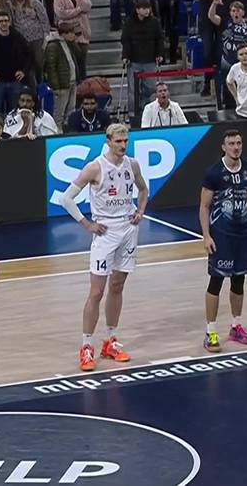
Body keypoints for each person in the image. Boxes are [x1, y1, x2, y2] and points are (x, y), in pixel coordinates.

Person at [58, 124, 150, 371]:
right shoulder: (94, 167)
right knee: (97, 292)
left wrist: (140, 211)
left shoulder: (133, 164)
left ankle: (110, 340)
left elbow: (143, 189)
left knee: (118, 286)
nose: (123, 145)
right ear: (108, 141)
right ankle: (86, 345)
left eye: (125, 141)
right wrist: (87, 224)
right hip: (105, 232)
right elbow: (66, 199)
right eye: (118, 141)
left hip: (128, 229)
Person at [199, 129, 247, 352]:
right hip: (221, 236)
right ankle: (211, 332)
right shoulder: (214, 173)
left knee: (239, 281)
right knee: (216, 282)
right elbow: (204, 207)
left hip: (243, 235)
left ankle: (236, 326)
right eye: (231, 143)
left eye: (239, 142)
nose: (236, 147)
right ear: (223, 147)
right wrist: (206, 235)